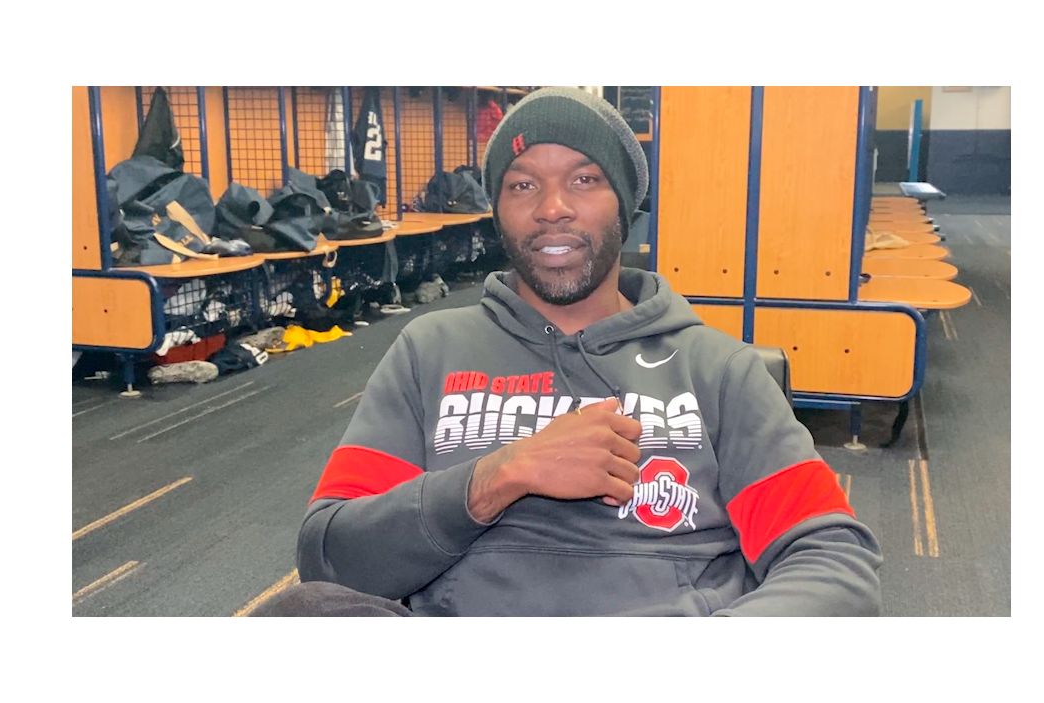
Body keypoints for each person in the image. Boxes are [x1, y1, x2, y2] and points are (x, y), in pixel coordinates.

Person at [259, 87, 882, 617]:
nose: (552, 209)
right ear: (498, 211)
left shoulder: (718, 370)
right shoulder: (429, 350)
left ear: (625, 204)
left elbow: (831, 559)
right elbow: (331, 558)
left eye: (584, 180)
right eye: (523, 185)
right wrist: (493, 478)